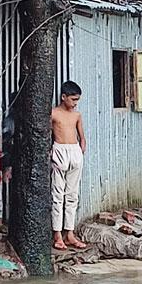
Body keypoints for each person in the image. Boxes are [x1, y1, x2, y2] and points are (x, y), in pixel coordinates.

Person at [51, 81, 87, 251]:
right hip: (59, 150)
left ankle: (70, 233)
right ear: (63, 97)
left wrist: (81, 148)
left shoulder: (77, 115)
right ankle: (57, 234)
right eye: (72, 99)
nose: (75, 103)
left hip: (74, 151)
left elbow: (82, 136)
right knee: (57, 194)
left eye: (77, 100)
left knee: (72, 194)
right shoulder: (54, 114)